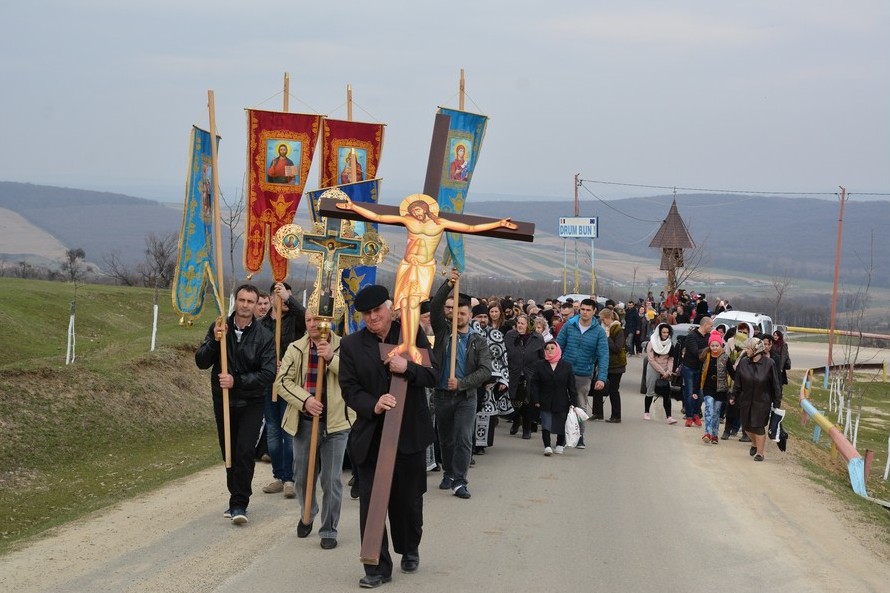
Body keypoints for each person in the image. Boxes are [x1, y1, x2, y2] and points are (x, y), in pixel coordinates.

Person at [336, 194, 515, 365]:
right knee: (405, 304)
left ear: (426, 209)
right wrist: (353, 207)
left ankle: (411, 345)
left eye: (419, 210)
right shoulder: (409, 220)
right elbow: (379, 216)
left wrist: (498, 223)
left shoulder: (440, 223)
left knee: (414, 304)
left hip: (424, 267)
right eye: (413, 211)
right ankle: (405, 343)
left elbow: (470, 227)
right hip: (407, 265)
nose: (417, 213)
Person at [338, 285, 439, 588]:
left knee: (408, 501)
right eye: (366, 313)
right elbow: (349, 388)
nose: (372, 317)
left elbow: (433, 374)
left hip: (409, 433)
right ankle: (376, 566)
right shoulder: (352, 345)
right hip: (372, 435)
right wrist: (374, 404)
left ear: (390, 309)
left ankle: (409, 547)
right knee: (372, 502)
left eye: (377, 311)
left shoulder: (410, 334)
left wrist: (407, 367)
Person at [195, 284, 276, 525]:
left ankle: (240, 503)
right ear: (235, 301)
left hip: (251, 402)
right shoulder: (220, 327)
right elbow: (201, 361)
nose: (245, 305)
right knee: (229, 452)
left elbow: (268, 373)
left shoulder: (264, 336)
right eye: (242, 300)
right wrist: (214, 341)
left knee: (244, 451)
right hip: (223, 401)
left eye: (250, 301)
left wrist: (237, 381)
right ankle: (235, 498)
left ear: (256, 305)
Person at [276, 310, 354, 550]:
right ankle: (308, 511)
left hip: (335, 424)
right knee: (301, 476)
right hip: (305, 422)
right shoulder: (295, 348)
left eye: (317, 319)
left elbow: (355, 376)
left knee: (331, 479)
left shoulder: (345, 346)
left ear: (328, 320)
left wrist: (331, 358)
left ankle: (329, 528)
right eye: (308, 319)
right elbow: (282, 382)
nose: (312, 324)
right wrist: (305, 400)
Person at [430, 271, 492, 499]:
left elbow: (485, 370)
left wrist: (462, 383)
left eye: (463, 313)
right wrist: (448, 284)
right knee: (446, 439)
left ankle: (459, 481)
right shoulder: (443, 332)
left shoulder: (478, 341)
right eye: (455, 312)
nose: (459, 316)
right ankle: (448, 472)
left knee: (464, 438)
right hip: (442, 395)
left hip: (466, 397)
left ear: (470, 315)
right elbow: (435, 305)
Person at [260, 281, 307, 498]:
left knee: (289, 431)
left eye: (287, 296)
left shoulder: (295, 321)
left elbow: (305, 315)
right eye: (278, 295)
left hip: (290, 383)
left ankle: (290, 478)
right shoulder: (261, 324)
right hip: (268, 384)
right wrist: (269, 365)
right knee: (272, 431)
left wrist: (288, 298)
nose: (283, 300)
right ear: (271, 298)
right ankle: (278, 476)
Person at [555, 298, 608, 448]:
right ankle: (563, 435)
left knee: (580, 405)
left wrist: (601, 378)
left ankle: (579, 436)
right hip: (565, 371)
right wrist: (553, 366)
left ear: (594, 311)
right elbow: (558, 346)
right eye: (582, 309)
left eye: (588, 310)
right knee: (562, 404)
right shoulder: (569, 325)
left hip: (584, 373)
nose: (585, 312)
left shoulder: (599, 332)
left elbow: (603, 355)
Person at [729, 338, 782, 462]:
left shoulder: (769, 363)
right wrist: (733, 395)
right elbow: (738, 382)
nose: (746, 351)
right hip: (746, 399)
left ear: (757, 349)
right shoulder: (743, 362)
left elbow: (776, 384)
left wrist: (777, 402)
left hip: (762, 401)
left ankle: (760, 453)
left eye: (748, 348)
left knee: (758, 426)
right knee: (747, 426)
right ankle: (754, 443)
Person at [530, 340, 578, 455]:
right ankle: (547, 446)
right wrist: (536, 399)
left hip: (561, 400)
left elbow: (571, 386)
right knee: (546, 423)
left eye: (552, 348)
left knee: (561, 423)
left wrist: (573, 402)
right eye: (547, 349)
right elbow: (534, 384)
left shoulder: (566, 366)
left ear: (557, 350)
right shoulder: (540, 365)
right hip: (545, 400)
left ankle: (559, 444)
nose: (549, 350)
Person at [504, 314, 545, 440]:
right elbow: (504, 353)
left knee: (527, 402)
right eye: (518, 323)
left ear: (529, 326)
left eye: (522, 323)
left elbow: (541, 357)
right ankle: (516, 421)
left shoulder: (537, 338)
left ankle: (527, 428)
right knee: (514, 400)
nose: (519, 326)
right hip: (513, 373)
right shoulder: (510, 335)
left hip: (530, 374)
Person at [696, 331, 729, 444]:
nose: (714, 348)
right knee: (708, 409)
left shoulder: (725, 358)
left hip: (721, 389)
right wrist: (696, 389)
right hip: (708, 387)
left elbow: (732, 373)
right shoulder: (705, 357)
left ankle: (714, 435)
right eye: (712, 345)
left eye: (717, 345)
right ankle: (707, 433)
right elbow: (700, 373)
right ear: (709, 346)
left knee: (716, 413)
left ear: (721, 345)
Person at [680, 316, 713, 428]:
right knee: (689, 393)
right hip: (689, 367)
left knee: (701, 394)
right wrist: (708, 349)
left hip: (701, 369)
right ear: (705, 325)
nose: (712, 328)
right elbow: (695, 352)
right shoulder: (692, 336)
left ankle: (696, 413)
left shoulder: (709, 336)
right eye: (711, 326)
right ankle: (689, 416)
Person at [644, 323, 677, 424]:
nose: (665, 334)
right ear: (659, 332)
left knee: (667, 393)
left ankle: (669, 417)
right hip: (653, 369)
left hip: (666, 370)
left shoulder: (670, 344)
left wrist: (669, 371)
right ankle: (646, 412)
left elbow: (671, 358)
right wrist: (662, 371)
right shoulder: (652, 343)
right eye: (663, 332)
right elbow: (651, 360)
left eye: (667, 332)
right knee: (650, 391)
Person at [598, 308, 626, 423]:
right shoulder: (603, 329)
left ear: (608, 318)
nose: (602, 322)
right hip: (606, 363)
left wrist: (608, 338)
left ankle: (616, 415)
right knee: (600, 388)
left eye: (603, 319)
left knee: (613, 390)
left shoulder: (618, 329)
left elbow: (617, 347)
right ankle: (598, 413)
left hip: (617, 365)